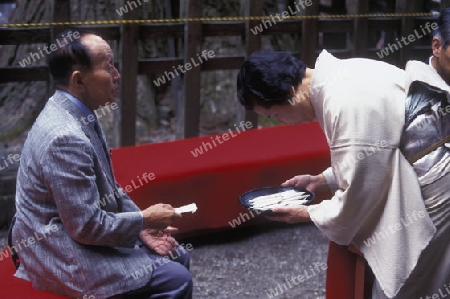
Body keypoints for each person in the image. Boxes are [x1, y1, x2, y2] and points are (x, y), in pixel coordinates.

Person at [236, 47, 449, 298]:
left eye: (274, 114)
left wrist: (307, 212)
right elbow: (375, 154)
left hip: (434, 185)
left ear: (290, 93)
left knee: (407, 287)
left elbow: (362, 191)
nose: (284, 122)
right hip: (430, 164)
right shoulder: (346, 71)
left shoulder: (343, 102)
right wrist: (322, 180)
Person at [10, 29, 193, 299]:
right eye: (108, 67)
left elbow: (109, 186)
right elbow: (86, 227)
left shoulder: (77, 112)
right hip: (56, 250)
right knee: (176, 278)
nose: (117, 75)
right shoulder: (65, 137)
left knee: (178, 256)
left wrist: (142, 228)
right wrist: (144, 219)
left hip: (73, 234)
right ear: (79, 80)